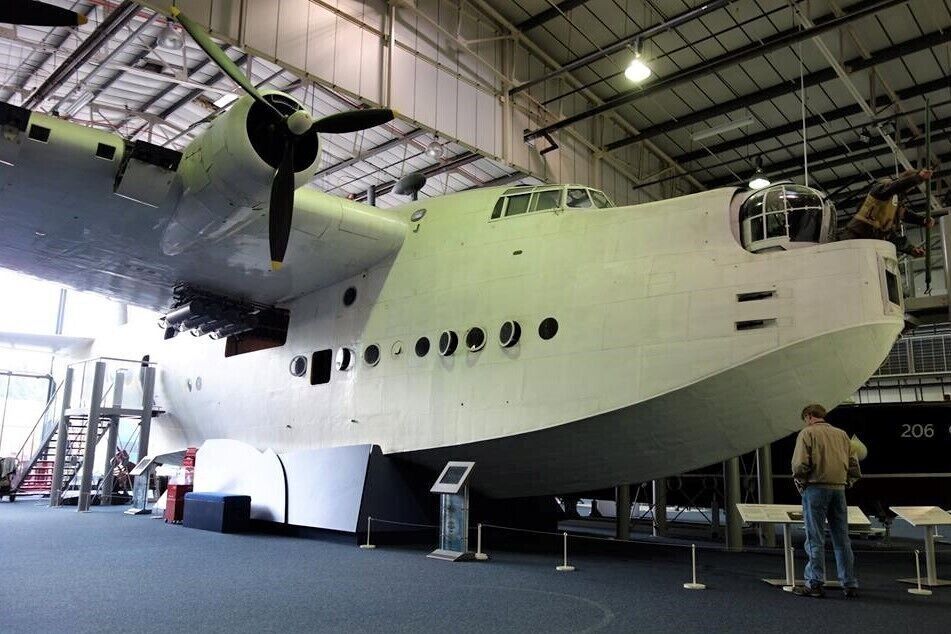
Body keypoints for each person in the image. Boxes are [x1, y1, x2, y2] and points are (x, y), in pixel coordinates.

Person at [790, 403, 861, 598]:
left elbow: (799, 464)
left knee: (815, 537)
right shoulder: (842, 435)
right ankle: (849, 583)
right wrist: (847, 482)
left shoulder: (807, 433)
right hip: (838, 489)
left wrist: (801, 482)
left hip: (815, 487)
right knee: (842, 538)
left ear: (809, 416)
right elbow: (854, 464)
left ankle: (815, 583)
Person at [839, 168, 935, 256]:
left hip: (870, 245)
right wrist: (917, 178)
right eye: (911, 186)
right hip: (854, 238)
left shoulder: (895, 206)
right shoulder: (882, 188)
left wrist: (922, 221)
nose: (912, 189)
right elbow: (894, 188)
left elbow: (891, 233)